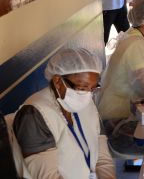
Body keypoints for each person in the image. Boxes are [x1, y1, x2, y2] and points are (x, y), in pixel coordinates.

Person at [12, 48, 115, 179]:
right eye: (82, 88)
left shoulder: (87, 102)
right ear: (57, 81)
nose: (88, 94)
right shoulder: (34, 114)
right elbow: (47, 176)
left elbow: (102, 157)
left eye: (93, 88)